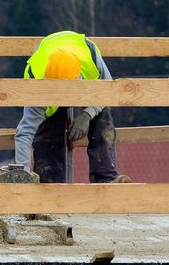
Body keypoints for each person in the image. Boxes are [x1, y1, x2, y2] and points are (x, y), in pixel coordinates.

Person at [17, 31, 129, 183]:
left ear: (78, 78)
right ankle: (51, 186)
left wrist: (87, 114)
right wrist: (22, 177)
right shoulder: (36, 79)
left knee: (102, 115)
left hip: (86, 79)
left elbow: (108, 93)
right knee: (48, 128)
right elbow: (25, 133)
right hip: (46, 91)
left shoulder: (91, 58)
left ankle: (106, 178)